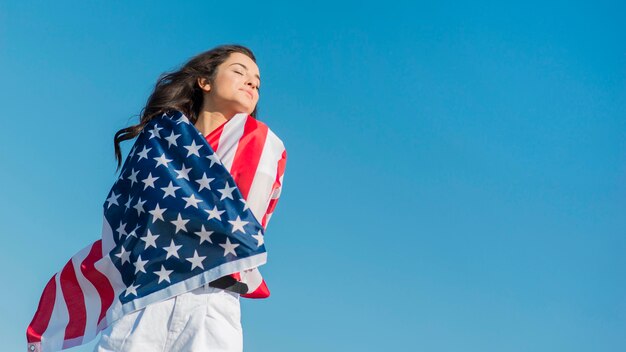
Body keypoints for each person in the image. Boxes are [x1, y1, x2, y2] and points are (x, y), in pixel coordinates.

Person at [26, 44, 286, 352]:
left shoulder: (261, 143)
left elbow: (240, 227)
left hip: (211, 304)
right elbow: (128, 222)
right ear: (205, 82)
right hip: (145, 302)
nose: (252, 82)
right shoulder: (159, 143)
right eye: (239, 71)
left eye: (257, 80)